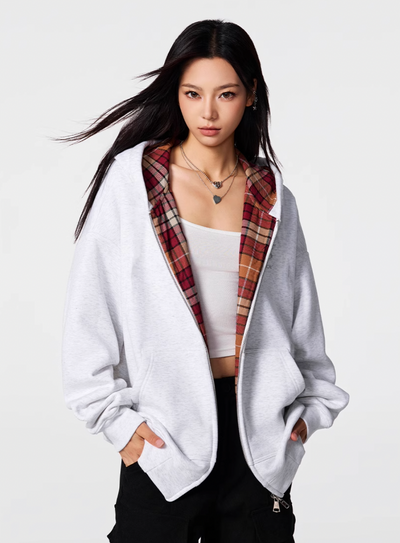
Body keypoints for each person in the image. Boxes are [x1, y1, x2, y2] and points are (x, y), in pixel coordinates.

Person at [59, 19, 350, 543]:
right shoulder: (133, 183)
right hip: (165, 436)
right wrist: (120, 427)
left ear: (251, 95)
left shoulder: (273, 199)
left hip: (257, 441)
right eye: (193, 93)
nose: (208, 112)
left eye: (226, 94)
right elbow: (89, 314)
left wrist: (306, 418)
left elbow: (301, 324)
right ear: (177, 94)